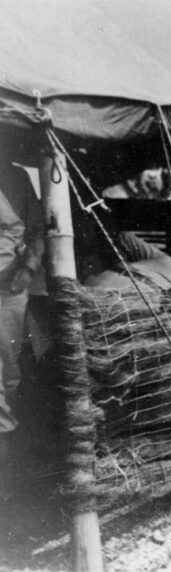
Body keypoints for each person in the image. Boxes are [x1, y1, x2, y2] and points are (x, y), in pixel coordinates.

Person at [0, 158, 44, 468]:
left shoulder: (15, 176)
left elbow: (36, 230)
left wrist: (28, 268)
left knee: (11, 373)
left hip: (8, 289)